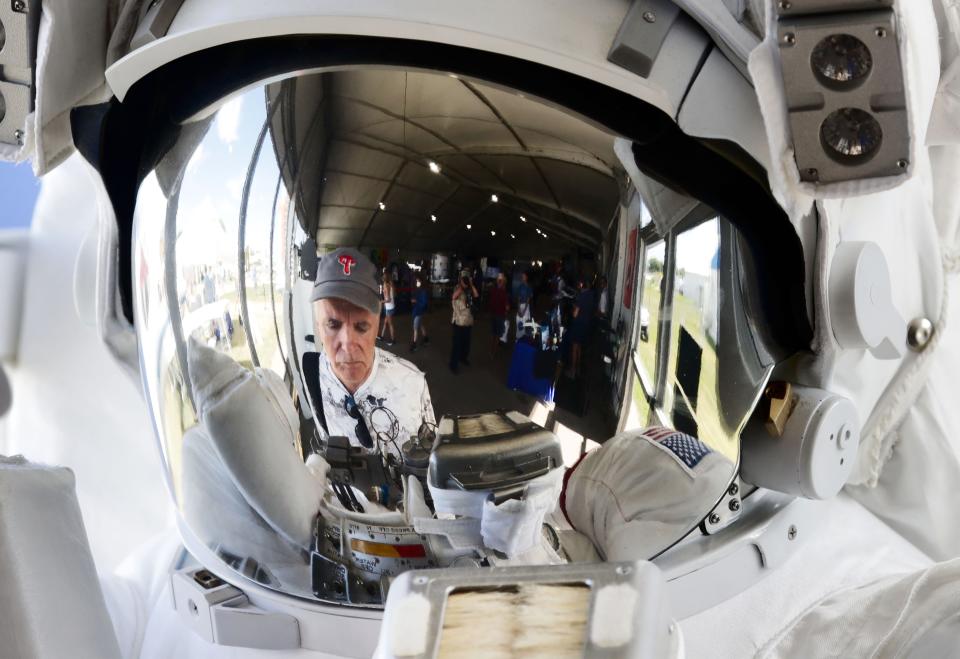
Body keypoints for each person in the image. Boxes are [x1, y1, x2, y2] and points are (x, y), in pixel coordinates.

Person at [6, 3, 960, 658]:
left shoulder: (833, 615)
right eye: (326, 320)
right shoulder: (165, 602)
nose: (343, 344)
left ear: (810, 338)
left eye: (361, 320)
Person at [312, 248, 435, 452]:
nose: (349, 344)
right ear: (318, 326)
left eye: (362, 327)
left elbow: (432, 453)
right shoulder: (312, 374)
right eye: (333, 325)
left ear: (378, 325)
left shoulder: (413, 383)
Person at [450, 270, 478, 374]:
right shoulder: (457, 287)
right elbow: (453, 297)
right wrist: (462, 287)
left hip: (468, 321)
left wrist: (470, 284)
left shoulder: (470, 288)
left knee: (466, 343)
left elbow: (476, 295)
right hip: (458, 321)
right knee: (457, 344)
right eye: (463, 279)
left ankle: (463, 358)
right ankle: (453, 365)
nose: (465, 281)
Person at [567, 277, 595, 378]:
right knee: (580, 347)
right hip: (586, 324)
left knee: (574, 347)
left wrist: (574, 307)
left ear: (582, 285)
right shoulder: (592, 295)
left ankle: (572, 371)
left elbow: (575, 314)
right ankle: (578, 369)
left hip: (579, 324)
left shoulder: (582, 296)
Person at [488, 272, 510, 355]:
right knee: (496, 334)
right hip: (498, 315)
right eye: (499, 280)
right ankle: (493, 351)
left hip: (495, 315)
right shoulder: (503, 292)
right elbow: (507, 307)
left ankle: (492, 351)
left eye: (500, 280)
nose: (499, 281)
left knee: (494, 334)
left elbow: (491, 303)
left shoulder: (494, 290)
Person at [410, 274, 430, 352]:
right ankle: (426, 339)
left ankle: (414, 345)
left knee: (415, 328)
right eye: (416, 281)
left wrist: (416, 301)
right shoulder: (418, 289)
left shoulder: (423, 291)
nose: (417, 282)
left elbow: (424, 302)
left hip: (418, 312)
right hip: (417, 311)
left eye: (418, 281)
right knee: (421, 325)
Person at [377, 265, 396, 346]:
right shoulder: (391, 283)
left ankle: (393, 340)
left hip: (389, 307)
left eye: (383, 274)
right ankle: (381, 336)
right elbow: (394, 295)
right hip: (391, 306)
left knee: (390, 324)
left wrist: (380, 302)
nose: (382, 275)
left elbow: (388, 299)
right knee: (385, 322)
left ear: (386, 275)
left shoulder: (386, 284)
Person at [515, 271, 533, 339]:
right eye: (522, 277)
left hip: (526, 306)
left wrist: (524, 311)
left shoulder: (529, 287)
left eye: (524, 277)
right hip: (520, 306)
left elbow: (528, 300)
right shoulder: (520, 286)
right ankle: (518, 338)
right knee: (518, 322)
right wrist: (519, 309)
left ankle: (525, 339)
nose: (522, 278)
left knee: (525, 322)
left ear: (527, 278)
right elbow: (518, 299)